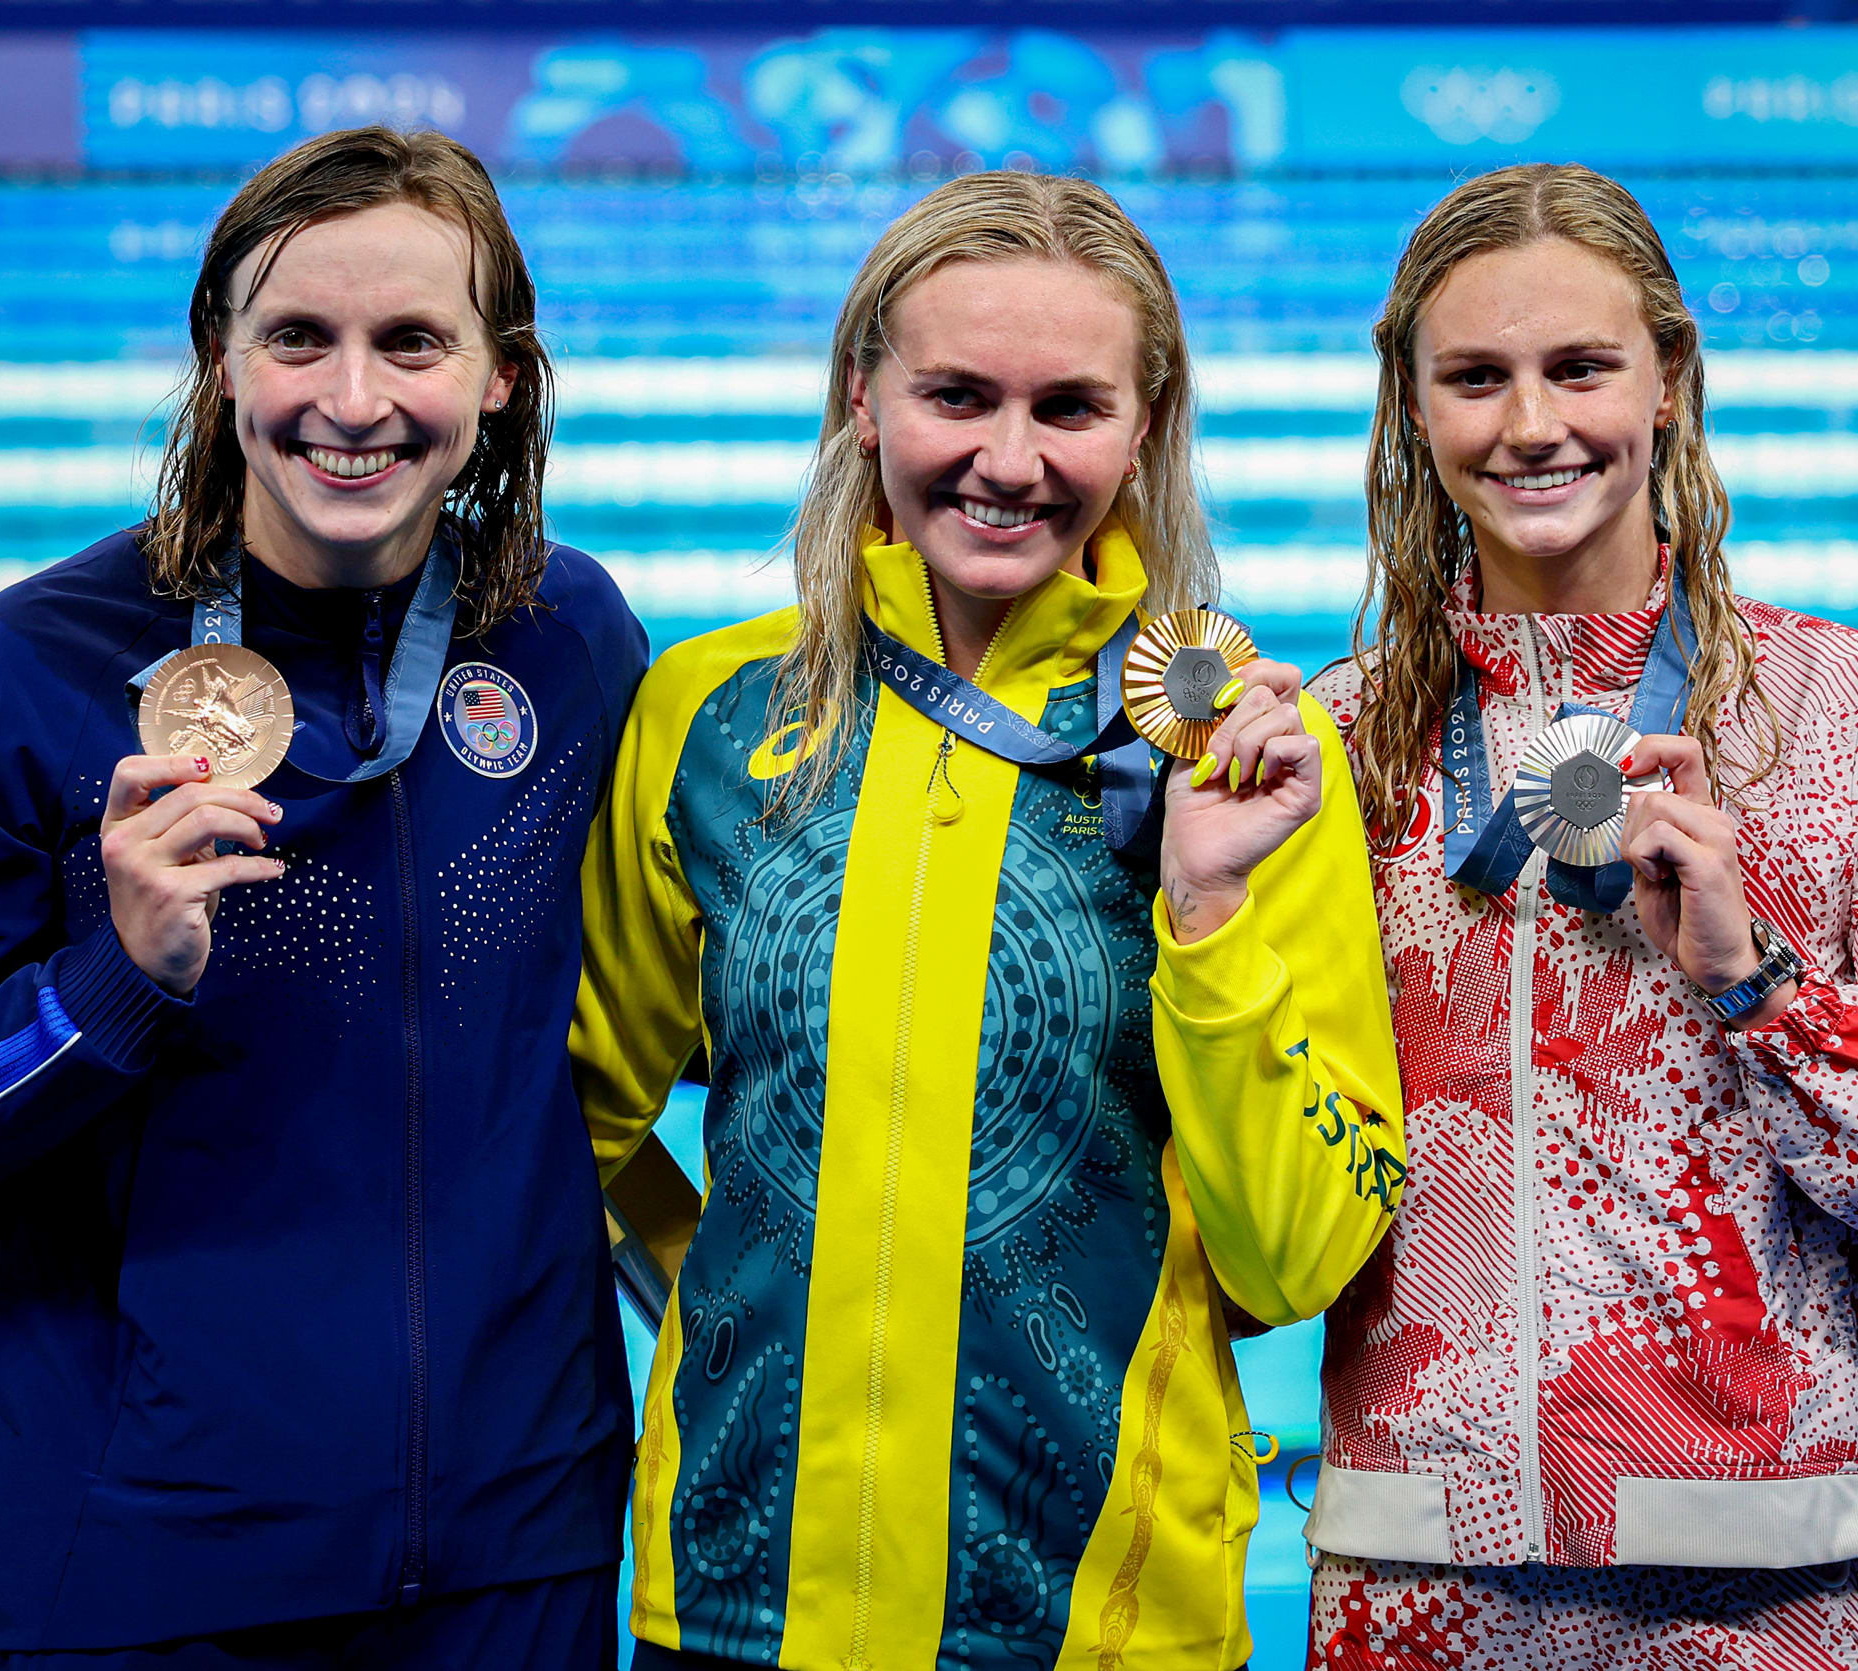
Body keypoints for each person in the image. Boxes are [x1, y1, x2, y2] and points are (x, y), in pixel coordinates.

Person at [0, 127, 643, 1667]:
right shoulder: (24, 674)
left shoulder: (568, 641)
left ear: (499, 377)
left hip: (522, 1550)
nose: (352, 402)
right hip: (144, 1569)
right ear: (219, 359)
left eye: (412, 343)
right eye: (298, 337)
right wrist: (107, 981)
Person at [570, 171, 1405, 1669]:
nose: (1007, 461)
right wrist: (732, 1293)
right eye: (956, 395)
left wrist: (1207, 915)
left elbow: (1296, 1258)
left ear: (1143, 426)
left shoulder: (1247, 759)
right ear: (860, 397)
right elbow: (574, 1123)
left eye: (1069, 408)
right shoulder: (708, 719)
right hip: (735, 1600)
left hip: (1100, 1623)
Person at [1304, 162, 1858, 1668]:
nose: (1532, 425)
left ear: (1669, 378)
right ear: (1414, 410)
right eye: (1476, 378)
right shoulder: (1344, 751)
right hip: (1413, 1580)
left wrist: (1763, 990)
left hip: (1761, 1588)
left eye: (1581, 367)